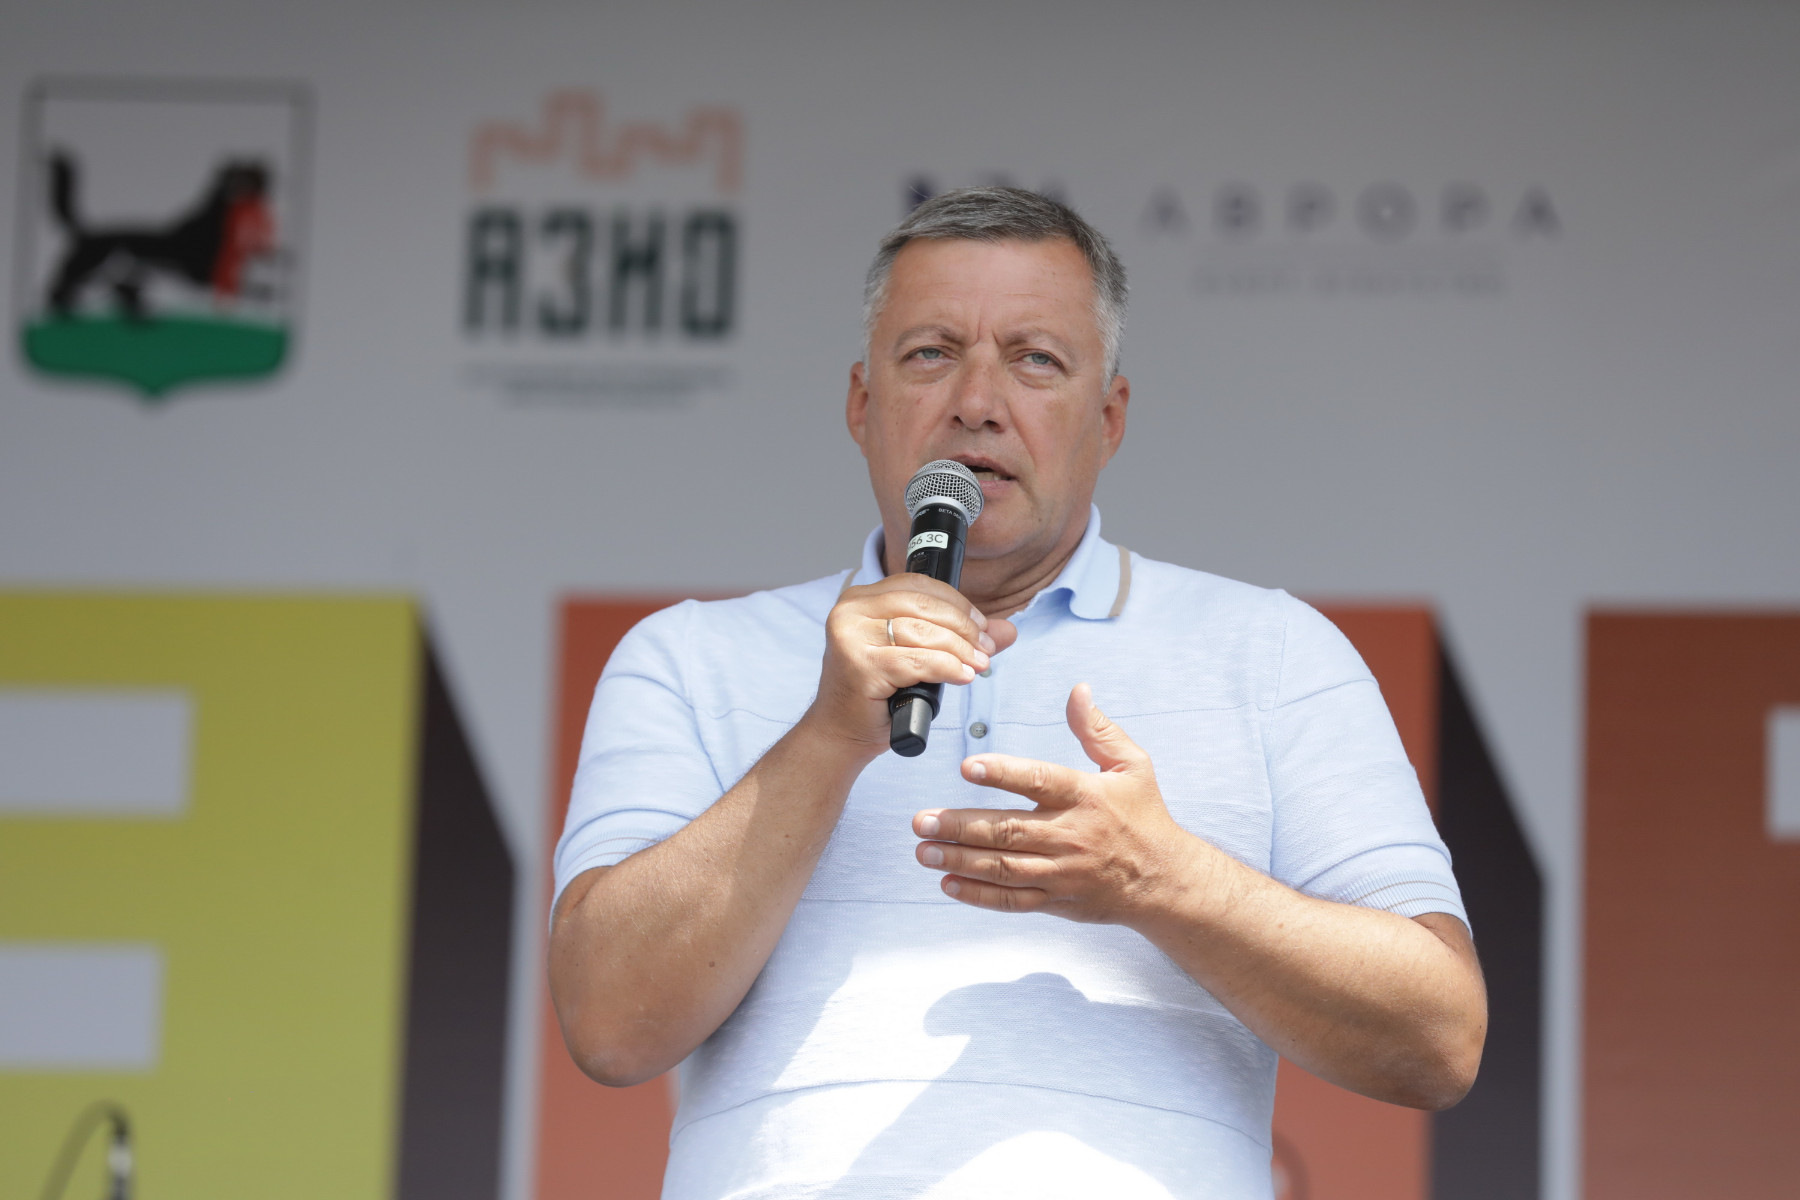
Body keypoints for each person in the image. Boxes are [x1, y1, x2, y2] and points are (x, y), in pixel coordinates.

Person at [549, 186, 1487, 1198]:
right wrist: (825, 738)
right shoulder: (691, 656)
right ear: (861, 404)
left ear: (1109, 418)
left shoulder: (1273, 653)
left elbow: (1438, 1040)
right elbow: (609, 1024)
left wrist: (1161, 881)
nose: (977, 402)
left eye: (1035, 359)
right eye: (931, 354)